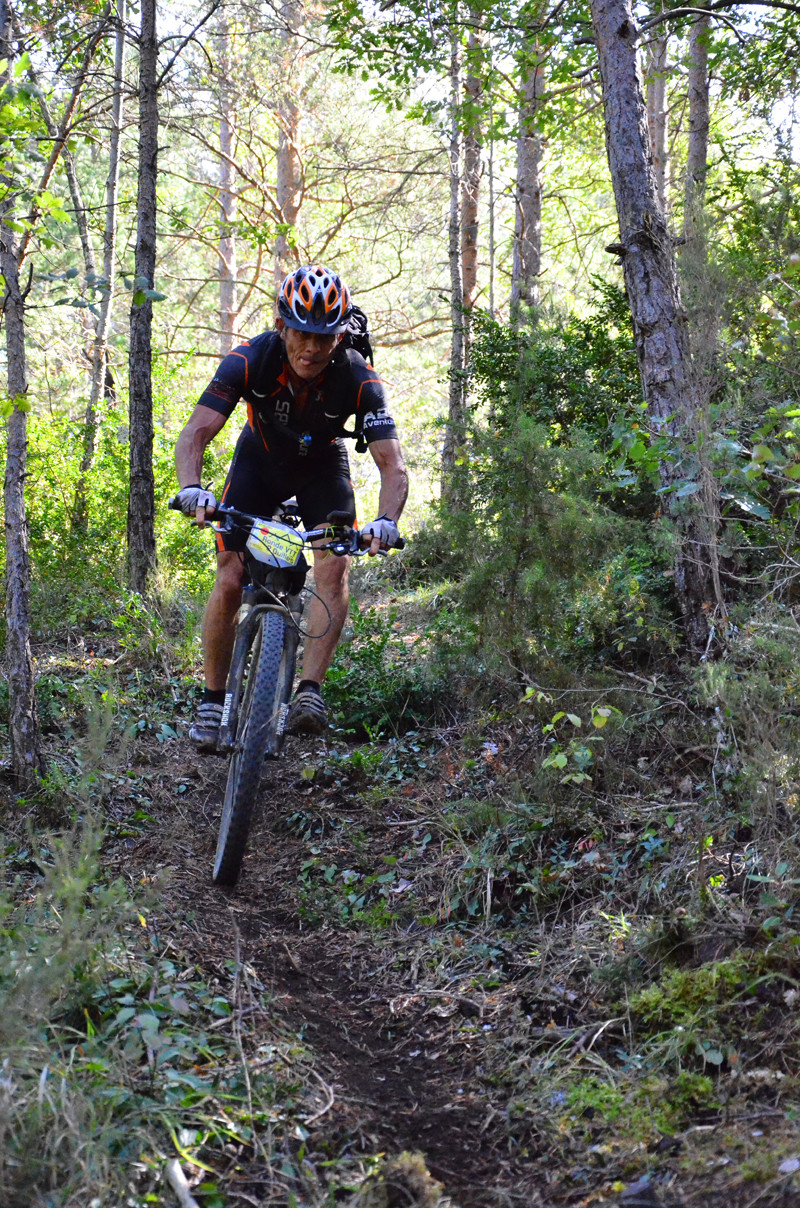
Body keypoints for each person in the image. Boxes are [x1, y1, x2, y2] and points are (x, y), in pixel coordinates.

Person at [174, 264, 408, 752]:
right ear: (281, 326)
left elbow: (393, 466)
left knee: (334, 568)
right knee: (230, 574)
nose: (311, 348)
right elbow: (195, 433)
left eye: (324, 337)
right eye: (301, 333)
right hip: (258, 464)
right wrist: (192, 488)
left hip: (323, 471)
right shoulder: (249, 359)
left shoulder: (359, 378)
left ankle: (309, 691)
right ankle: (213, 700)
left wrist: (387, 521)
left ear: (340, 335)